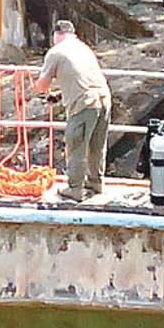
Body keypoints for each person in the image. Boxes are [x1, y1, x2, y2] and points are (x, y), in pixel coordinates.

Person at [35, 20, 111, 202]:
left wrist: (39, 85)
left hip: (84, 103)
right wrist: (60, 94)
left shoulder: (56, 52)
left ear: (57, 34)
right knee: (97, 145)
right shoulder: (83, 48)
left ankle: (75, 188)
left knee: (76, 145)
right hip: (104, 98)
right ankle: (96, 182)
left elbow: (41, 85)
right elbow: (80, 78)